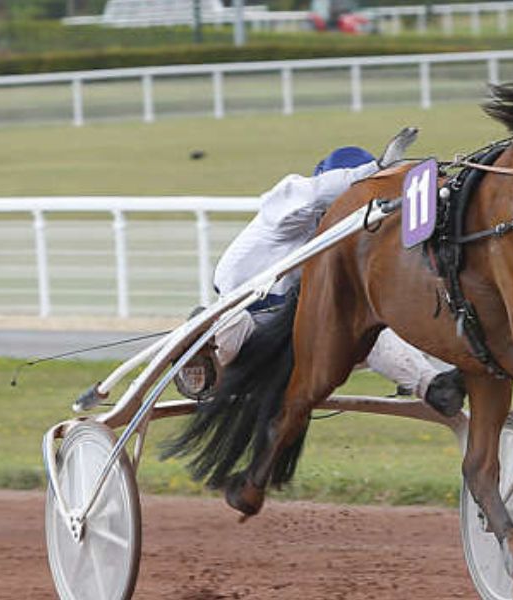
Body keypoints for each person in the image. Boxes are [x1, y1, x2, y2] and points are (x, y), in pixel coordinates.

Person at [199, 127, 465, 414]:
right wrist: (375, 170)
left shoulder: (350, 234)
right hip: (243, 325)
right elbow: (314, 194)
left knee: (366, 323)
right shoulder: (288, 207)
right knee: (231, 321)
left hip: (298, 341)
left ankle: (434, 387)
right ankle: (202, 367)